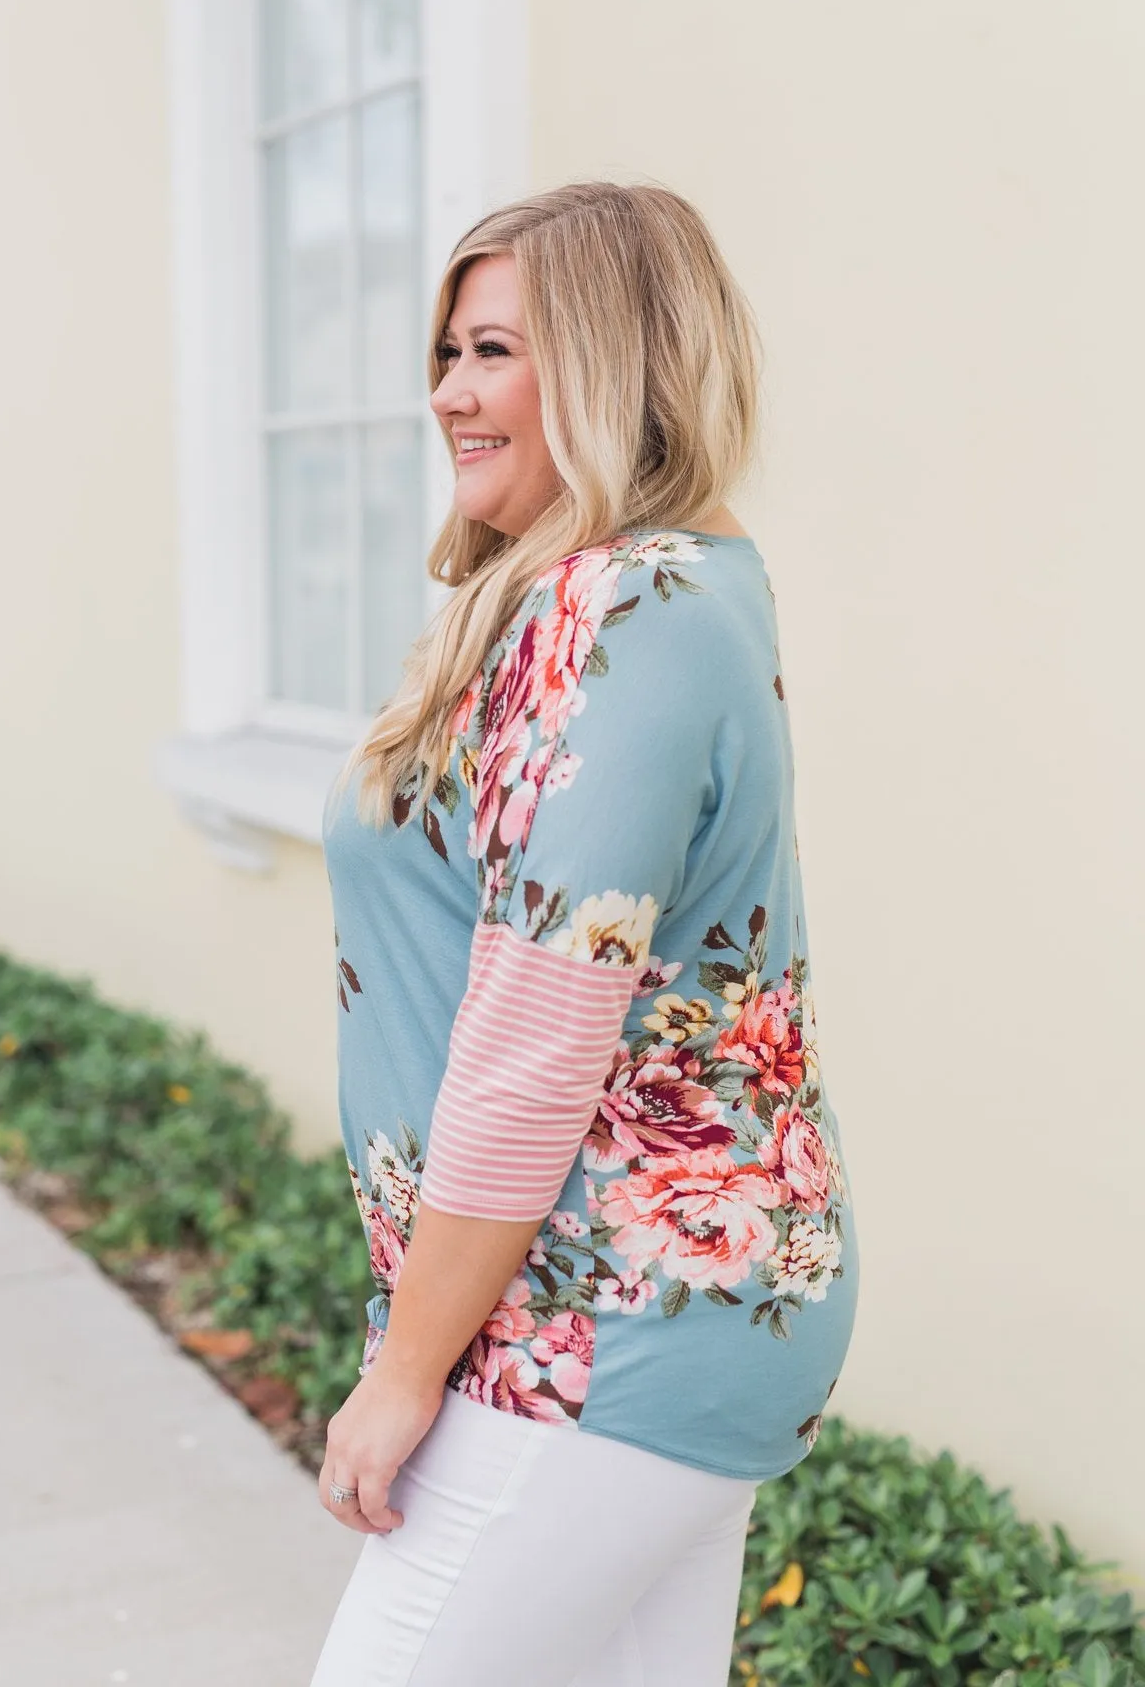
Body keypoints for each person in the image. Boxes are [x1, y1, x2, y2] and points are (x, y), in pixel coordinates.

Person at [311, 181, 859, 1687]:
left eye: (493, 350)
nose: (448, 393)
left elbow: (534, 1044)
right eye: (445, 352)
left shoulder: (630, 607)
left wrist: (403, 1375)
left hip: (606, 1328)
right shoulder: (633, 590)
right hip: (614, 1310)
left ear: (613, 361)